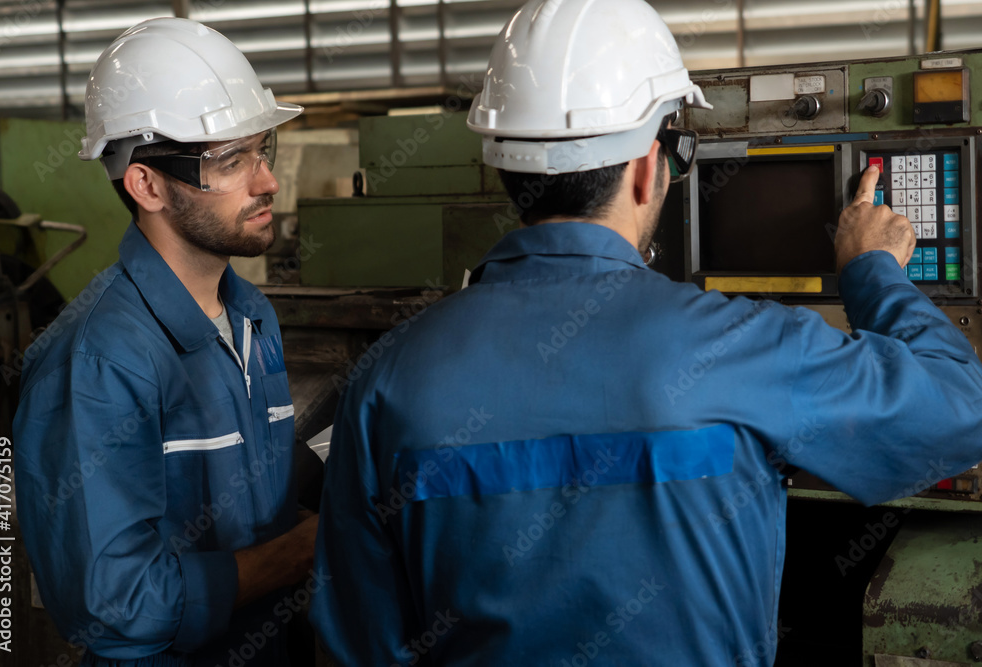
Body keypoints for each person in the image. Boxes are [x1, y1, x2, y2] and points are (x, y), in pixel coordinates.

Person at [309, 0, 982, 664]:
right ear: (645, 168)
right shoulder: (747, 346)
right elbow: (960, 408)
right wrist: (872, 273)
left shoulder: (387, 380)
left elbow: (353, 641)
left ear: (504, 168)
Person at [13, 18, 318, 666]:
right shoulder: (97, 361)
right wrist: (291, 557)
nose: (265, 182)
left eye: (263, 149)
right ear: (146, 185)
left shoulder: (252, 315)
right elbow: (115, 605)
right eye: (230, 161)